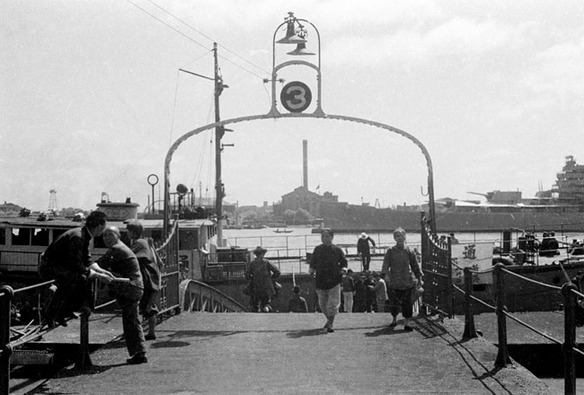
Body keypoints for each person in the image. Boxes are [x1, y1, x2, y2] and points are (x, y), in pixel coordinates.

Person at [41, 211, 114, 327]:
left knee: (82, 279)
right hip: (49, 267)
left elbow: (87, 260)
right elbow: (76, 265)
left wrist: (102, 271)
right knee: (77, 278)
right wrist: (97, 275)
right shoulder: (78, 237)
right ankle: (53, 313)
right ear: (99, 225)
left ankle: (65, 311)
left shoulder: (84, 235)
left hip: (61, 266)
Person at [97, 226, 147, 364]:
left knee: (131, 322)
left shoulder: (116, 249)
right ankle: (139, 353)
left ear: (118, 236)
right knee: (132, 321)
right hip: (136, 286)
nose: (106, 238)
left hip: (131, 287)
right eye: (104, 235)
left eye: (110, 234)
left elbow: (101, 263)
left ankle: (139, 354)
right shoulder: (120, 247)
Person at [381, 227, 423, 331]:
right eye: (397, 236)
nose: (400, 238)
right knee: (394, 302)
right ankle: (394, 319)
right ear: (394, 238)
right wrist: (385, 275)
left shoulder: (409, 250)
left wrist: (419, 278)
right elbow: (385, 265)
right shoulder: (390, 251)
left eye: (402, 236)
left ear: (405, 237)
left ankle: (407, 323)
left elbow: (415, 265)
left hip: (406, 280)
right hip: (394, 281)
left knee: (407, 302)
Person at [126, 220, 161, 341]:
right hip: (150, 276)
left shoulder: (139, 243)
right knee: (149, 305)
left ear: (133, 232)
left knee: (147, 306)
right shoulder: (143, 242)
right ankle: (151, 332)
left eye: (129, 231)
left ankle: (148, 333)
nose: (127, 233)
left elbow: (128, 255)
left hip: (147, 278)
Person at [309, 228, 348, 333]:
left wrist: (343, 269)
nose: (324, 238)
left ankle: (330, 324)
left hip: (334, 280)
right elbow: (313, 262)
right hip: (320, 280)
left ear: (332, 237)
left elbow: (344, 262)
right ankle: (329, 320)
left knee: (333, 304)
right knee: (322, 305)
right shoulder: (317, 249)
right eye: (322, 237)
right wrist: (311, 270)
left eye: (327, 236)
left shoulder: (337, 250)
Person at [245, 246, 281, 312]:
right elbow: (277, 272)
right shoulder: (266, 262)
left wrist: (252, 279)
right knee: (266, 303)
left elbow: (247, 275)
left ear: (256, 254)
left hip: (256, 287)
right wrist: (272, 278)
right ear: (263, 254)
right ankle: (266, 310)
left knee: (255, 304)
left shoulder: (252, 263)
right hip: (267, 288)